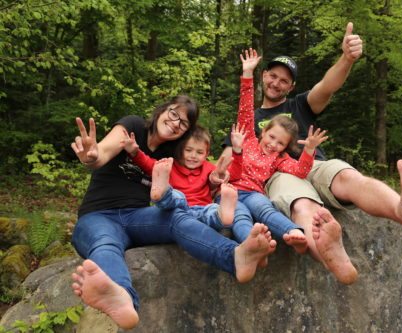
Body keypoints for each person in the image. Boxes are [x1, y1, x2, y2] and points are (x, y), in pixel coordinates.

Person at [220, 22, 402, 285]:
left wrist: (346, 59)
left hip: (314, 165)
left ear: (291, 86)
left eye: (284, 80)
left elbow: (327, 86)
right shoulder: (250, 122)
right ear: (263, 75)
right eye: (273, 76)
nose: (277, 83)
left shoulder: (299, 104)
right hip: (276, 175)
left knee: (347, 176)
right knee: (302, 204)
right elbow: (231, 156)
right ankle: (332, 257)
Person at [69, 96, 276, 329]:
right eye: (174, 113)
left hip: (138, 217)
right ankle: (122, 297)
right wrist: (92, 157)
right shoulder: (134, 126)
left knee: (177, 217)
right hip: (98, 216)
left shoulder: (172, 152)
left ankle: (236, 257)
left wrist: (218, 176)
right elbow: (103, 152)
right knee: (105, 243)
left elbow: (201, 166)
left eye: (184, 123)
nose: (176, 123)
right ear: (161, 111)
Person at [216, 49, 328, 255]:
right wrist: (247, 74)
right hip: (229, 191)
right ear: (263, 131)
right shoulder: (248, 137)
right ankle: (252, 246)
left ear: (285, 147)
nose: (273, 144)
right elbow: (245, 108)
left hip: (252, 194)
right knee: (238, 217)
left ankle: (296, 233)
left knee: (265, 209)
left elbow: (301, 171)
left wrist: (309, 150)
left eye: (280, 143)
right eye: (271, 137)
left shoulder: (279, 160)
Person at [120, 124, 245, 229]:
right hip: (177, 211)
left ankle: (223, 215)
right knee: (176, 196)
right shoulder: (169, 166)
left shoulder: (208, 168)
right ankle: (161, 191)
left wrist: (237, 150)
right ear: (180, 150)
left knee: (212, 210)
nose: (193, 156)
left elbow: (234, 175)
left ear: (207, 153)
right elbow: (147, 163)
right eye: (188, 150)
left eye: (199, 152)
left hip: (202, 210)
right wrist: (134, 152)